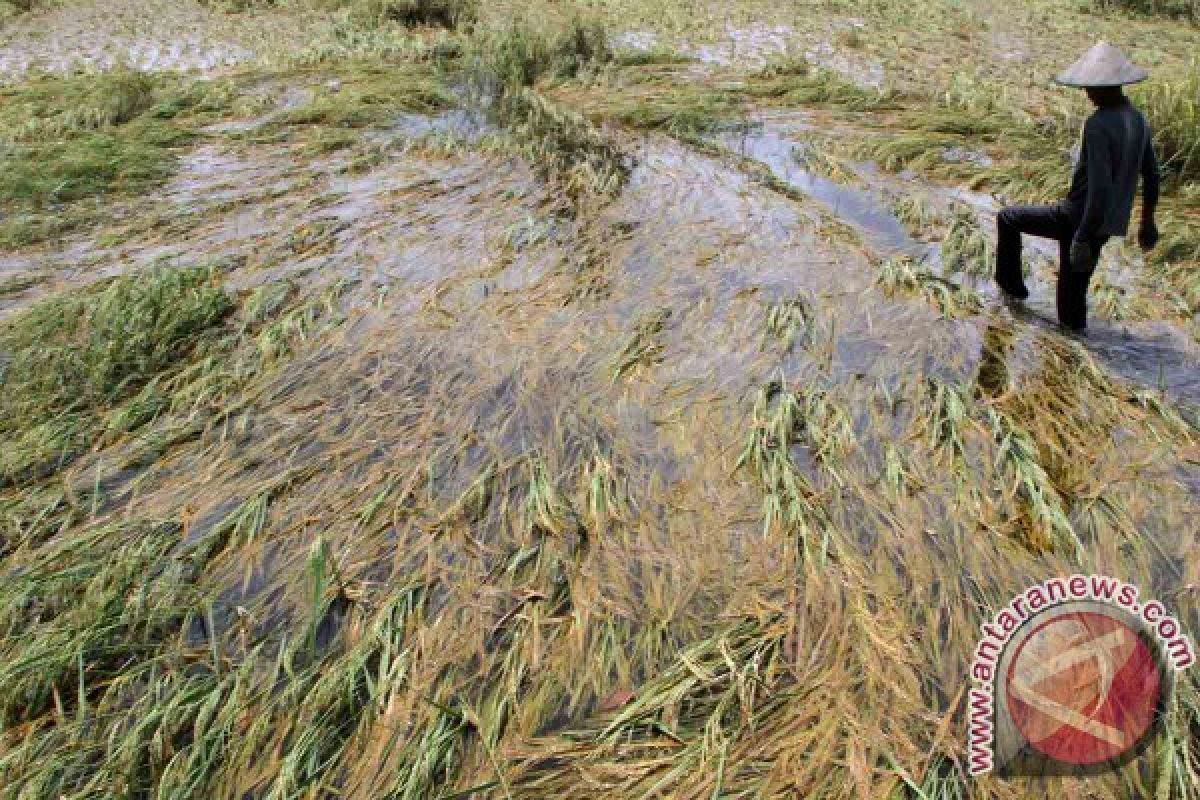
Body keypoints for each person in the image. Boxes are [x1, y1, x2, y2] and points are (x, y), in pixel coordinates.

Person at [994, 42, 1160, 331]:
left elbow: (1100, 189)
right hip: (1108, 224)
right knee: (1074, 294)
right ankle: (1074, 350)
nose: (1087, 93)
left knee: (1008, 218)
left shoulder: (1098, 124)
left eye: (1091, 87)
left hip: (1078, 218)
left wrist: (1081, 237)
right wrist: (1147, 222)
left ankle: (1012, 295)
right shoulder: (1138, 118)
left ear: (1108, 87)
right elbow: (1152, 174)